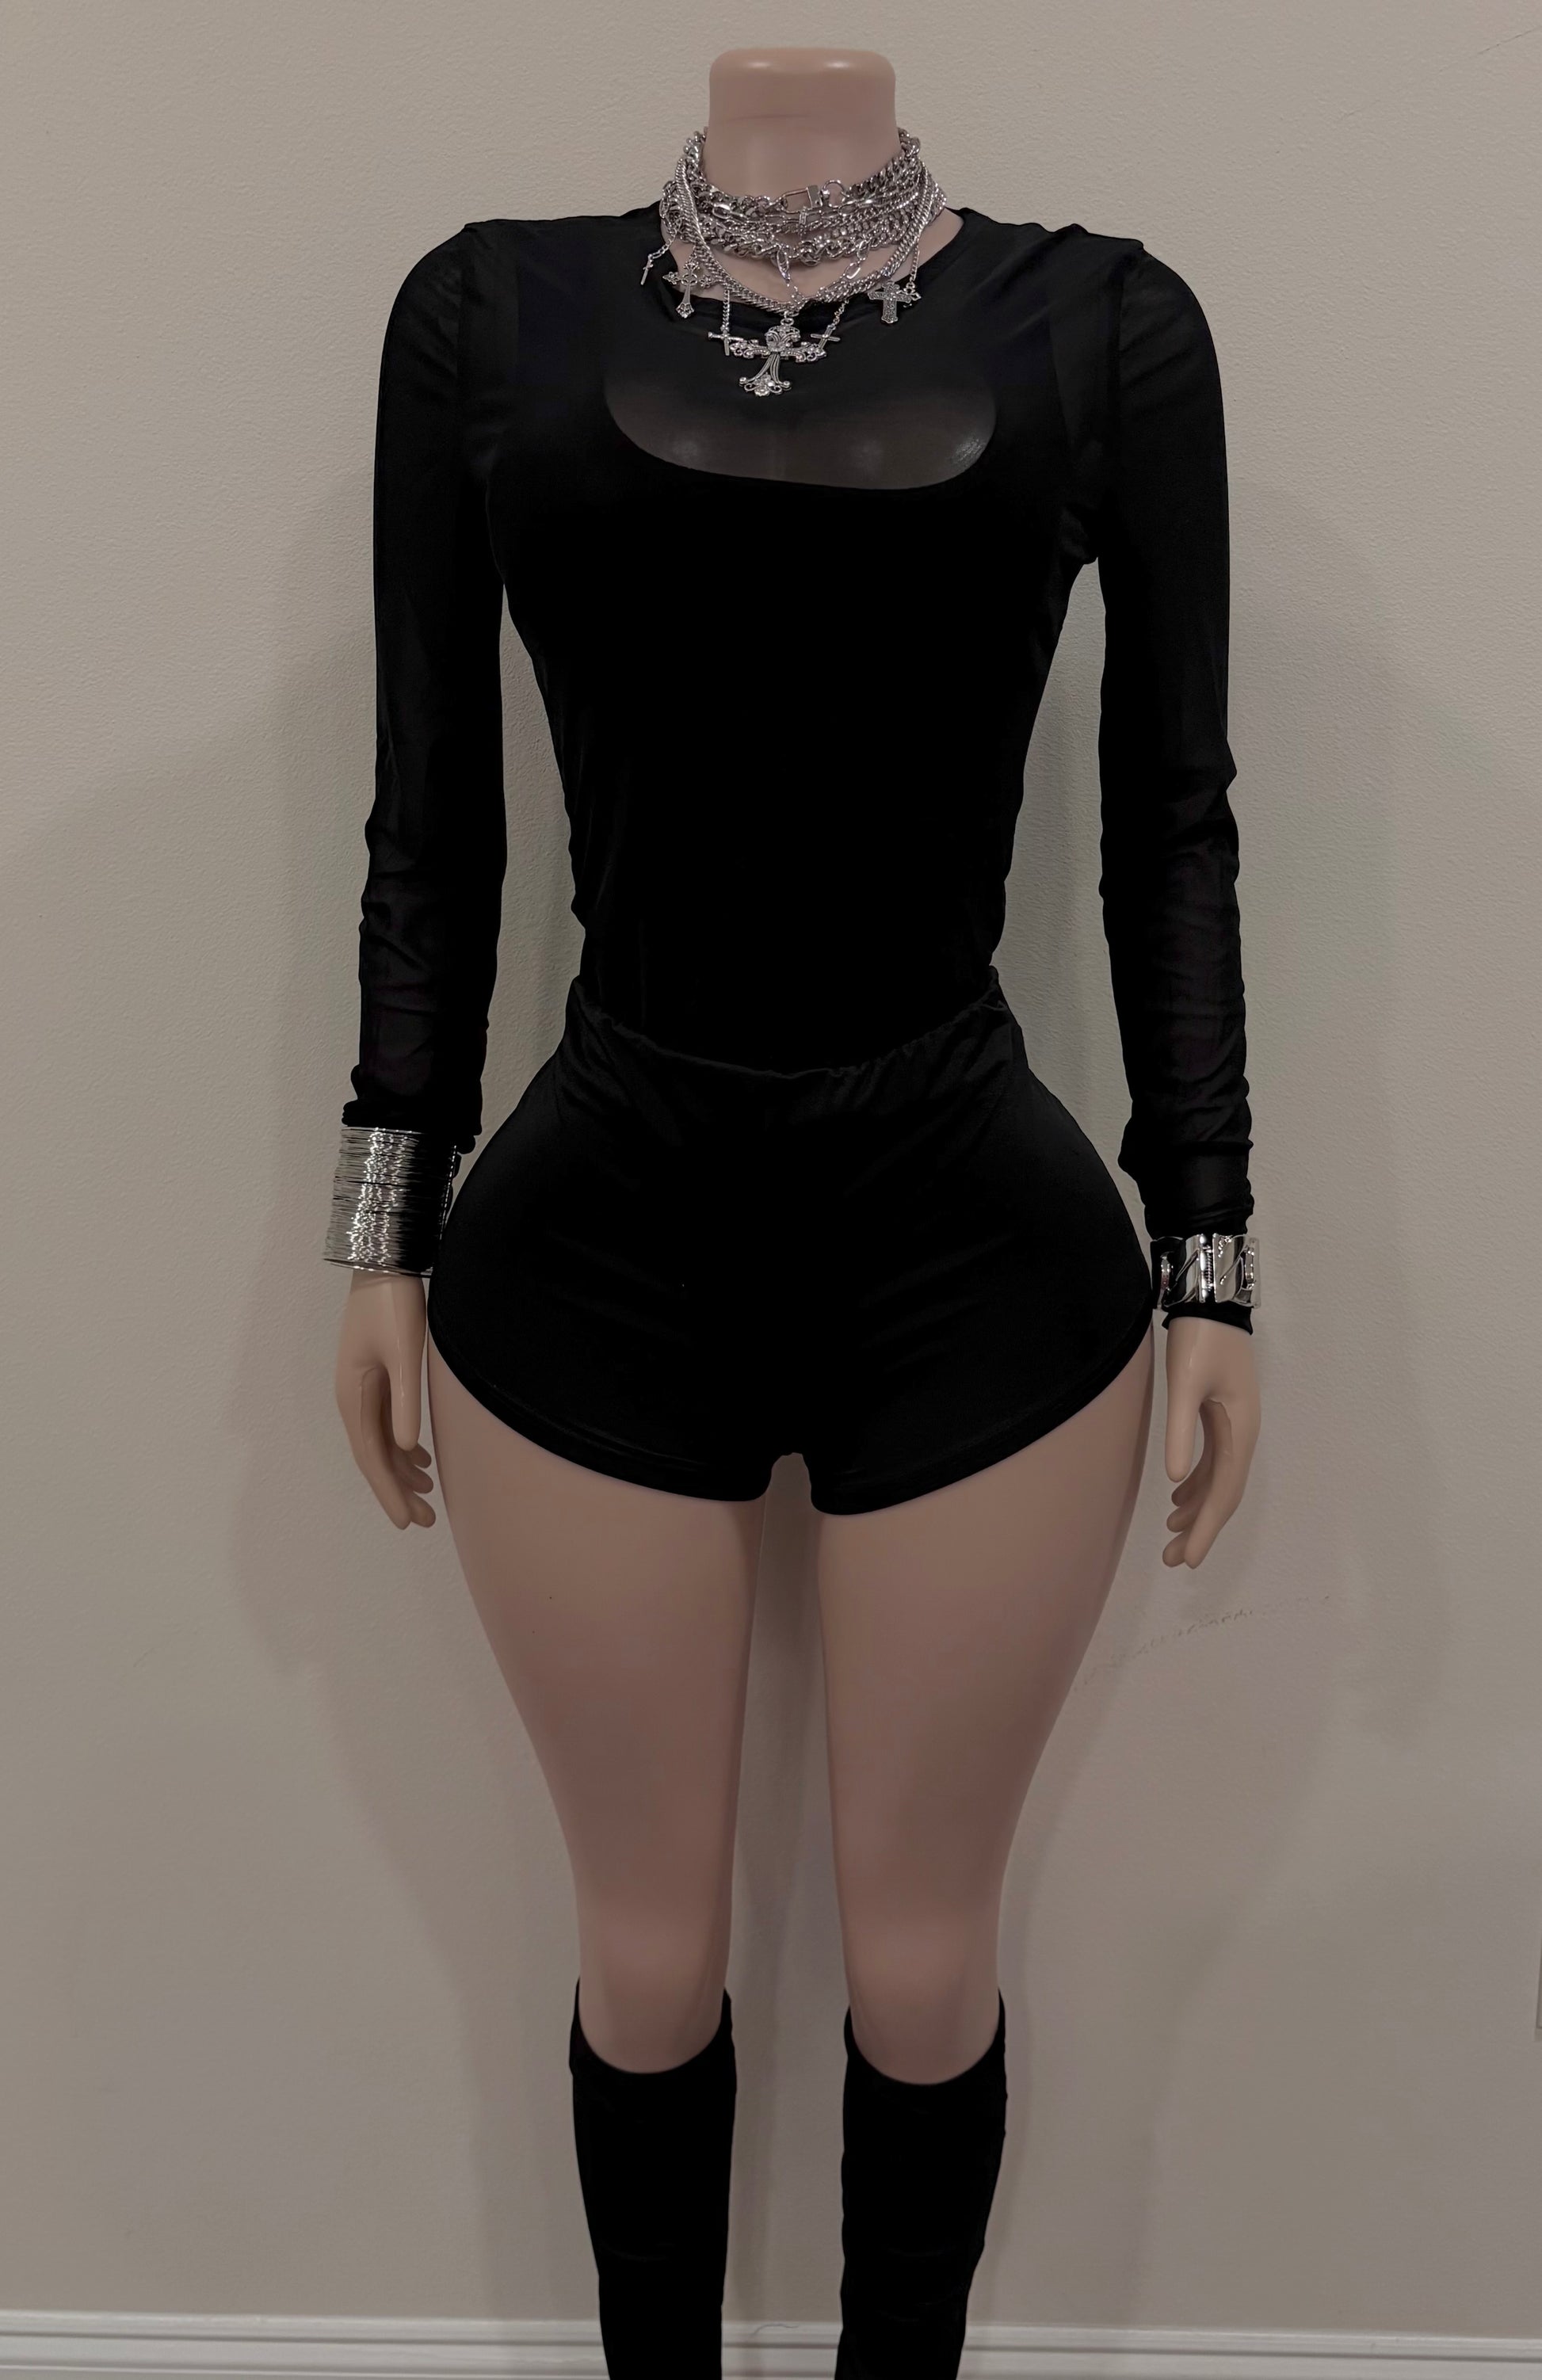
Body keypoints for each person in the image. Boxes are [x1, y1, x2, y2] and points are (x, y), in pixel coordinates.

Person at [326, 47, 1261, 2380]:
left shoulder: (1101, 332)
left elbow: (1174, 820)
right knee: (644, 1953)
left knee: (922, 1962)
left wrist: (1212, 1249)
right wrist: (382, 1206)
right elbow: (430, 807)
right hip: (595, 1229)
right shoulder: (486, 318)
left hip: (971, 1242)